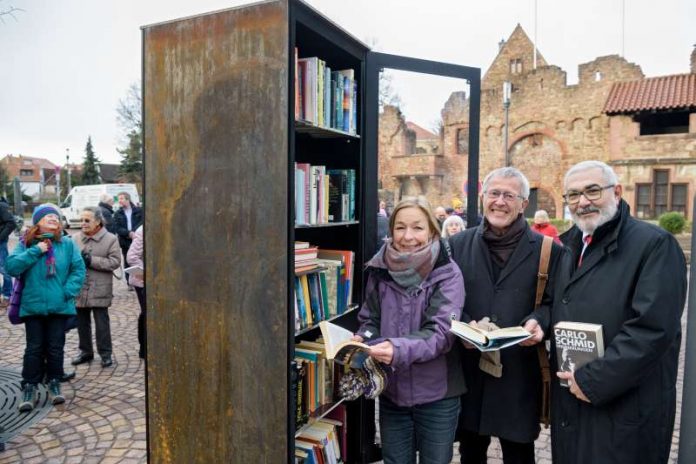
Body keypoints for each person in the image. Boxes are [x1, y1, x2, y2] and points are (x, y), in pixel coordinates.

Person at [550, 160, 686, 464]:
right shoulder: (570, 246)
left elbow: (651, 329)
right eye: (573, 195)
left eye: (593, 191)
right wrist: (536, 322)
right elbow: (558, 304)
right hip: (574, 399)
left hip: (624, 405)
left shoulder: (654, 245)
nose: (583, 202)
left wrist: (592, 380)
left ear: (618, 192)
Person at [448, 167, 565, 464]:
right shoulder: (458, 244)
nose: (500, 201)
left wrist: (541, 321)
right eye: (494, 193)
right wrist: (462, 323)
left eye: (509, 195)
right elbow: (443, 298)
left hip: (518, 373)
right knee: (470, 453)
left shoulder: (549, 250)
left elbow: (557, 303)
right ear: (483, 198)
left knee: (519, 453)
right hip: (470, 371)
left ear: (524, 204)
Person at [352, 197, 466, 464]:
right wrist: (363, 338)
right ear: (391, 230)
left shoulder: (447, 273)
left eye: (417, 227)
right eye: (400, 227)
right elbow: (370, 319)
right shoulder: (379, 269)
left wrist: (397, 349)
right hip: (393, 393)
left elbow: (441, 333)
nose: (408, 236)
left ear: (431, 231)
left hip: (438, 395)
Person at [7, 203, 85, 412]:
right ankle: (29, 386)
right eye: (48, 216)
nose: (54, 219)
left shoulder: (67, 244)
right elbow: (11, 267)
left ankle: (54, 383)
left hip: (59, 305)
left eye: (56, 217)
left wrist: (67, 292)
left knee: (55, 347)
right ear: (37, 222)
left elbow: (78, 269)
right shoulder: (26, 243)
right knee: (33, 348)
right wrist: (36, 251)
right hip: (33, 305)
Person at [71, 207, 122, 368]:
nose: (83, 224)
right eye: (82, 220)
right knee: (81, 323)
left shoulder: (111, 239)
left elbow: (115, 262)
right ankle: (85, 352)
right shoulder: (75, 238)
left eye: (87, 220)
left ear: (98, 221)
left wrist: (92, 260)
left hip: (100, 288)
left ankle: (105, 354)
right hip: (80, 288)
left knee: (102, 325)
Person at [113, 191, 143, 284]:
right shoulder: (118, 213)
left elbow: (142, 222)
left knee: (138, 259)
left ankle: (140, 279)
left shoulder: (139, 210)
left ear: (128, 199)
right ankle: (129, 282)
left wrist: (135, 232)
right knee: (127, 260)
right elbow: (117, 227)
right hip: (125, 240)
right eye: (119, 199)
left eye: (121, 198)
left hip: (138, 239)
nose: (120, 201)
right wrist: (128, 233)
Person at [127, 225, 146, 359]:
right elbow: (132, 257)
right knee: (146, 314)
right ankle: (144, 349)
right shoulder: (142, 230)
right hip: (143, 281)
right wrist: (148, 273)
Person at [0, 196, 16, 306]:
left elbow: (11, 223)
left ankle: (8, 294)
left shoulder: (1, 206)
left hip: (0, 243)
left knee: (4, 268)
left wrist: (1, 237)